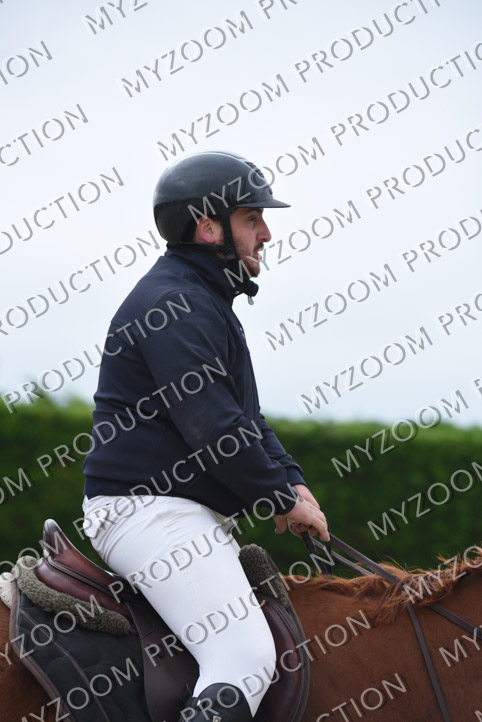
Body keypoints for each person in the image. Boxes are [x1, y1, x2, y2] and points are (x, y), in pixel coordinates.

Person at [82, 150, 329, 721]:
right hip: (151, 513)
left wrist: (292, 484)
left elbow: (246, 419)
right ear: (208, 227)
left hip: (175, 512)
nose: (266, 234)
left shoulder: (201, 299)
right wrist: (279, 497)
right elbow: (214, 429)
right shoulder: (177, 303)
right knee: (244, 657)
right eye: (252, 218)